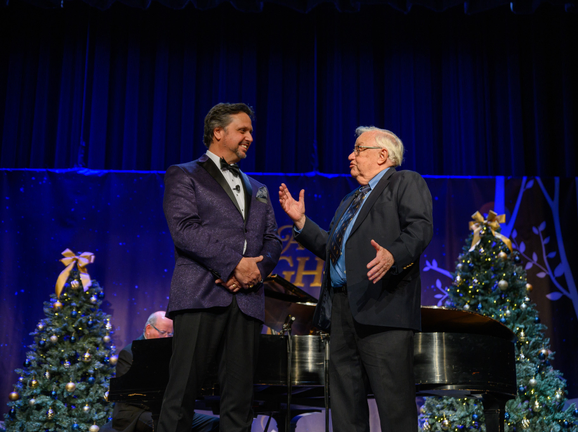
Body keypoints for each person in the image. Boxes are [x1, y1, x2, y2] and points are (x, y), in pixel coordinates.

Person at [278, 126, 433, 432]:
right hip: (341, 310)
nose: (351, 155)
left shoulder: (404, 182)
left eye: (359, 149)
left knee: (394, 407)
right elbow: (332, 249)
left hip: (383, 308)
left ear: (383, 155)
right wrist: (301, 223)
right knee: (346, 409)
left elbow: (420, 229)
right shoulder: (350, 200)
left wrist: (393, 255)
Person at [159, 103, 282, 432]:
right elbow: (184, 230)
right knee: (181, 393)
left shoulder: (259, 189)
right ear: (218, 132)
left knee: (240, 402)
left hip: (247, 301)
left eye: (250, 131)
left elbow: (272, 239)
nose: (250, 137)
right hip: (201, 294)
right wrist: (234, 267)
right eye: (242, 130)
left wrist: (253, 272)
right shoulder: (183, 174)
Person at [109, 312, 219, 432]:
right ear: (148, 329)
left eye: (170, 333)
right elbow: (132, 395)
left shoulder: (171, 352)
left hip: (168, 410)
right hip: (137, 412)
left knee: (215, 423)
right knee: (170, 425)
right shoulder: (129, 353)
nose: (167, 337)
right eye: (163, 332)